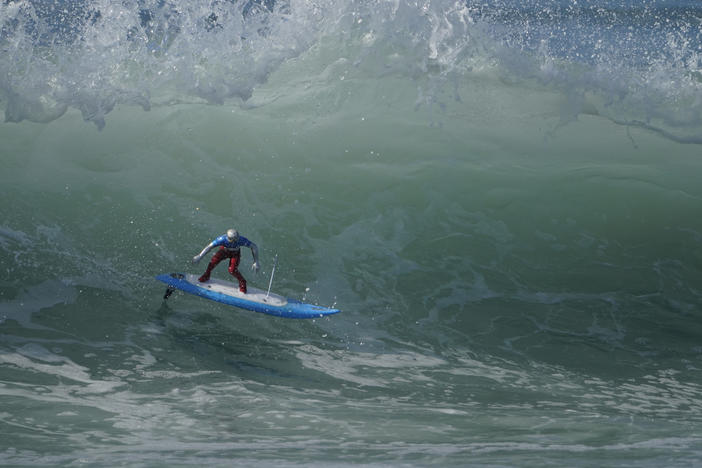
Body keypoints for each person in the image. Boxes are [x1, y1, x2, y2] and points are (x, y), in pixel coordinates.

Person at [192, 229, 260, 293]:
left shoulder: (241, 240)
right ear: (229, 238)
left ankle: (243, 282)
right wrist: (200, 256)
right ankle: (206, 276)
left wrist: (256, 261)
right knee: (212, 263)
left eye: (236, 239)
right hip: (224, 251)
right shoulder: (222, 239)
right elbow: (209, 247)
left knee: (232, 270)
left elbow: (254, 246)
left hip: (235, 253)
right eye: (233, 240)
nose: (235, 241)